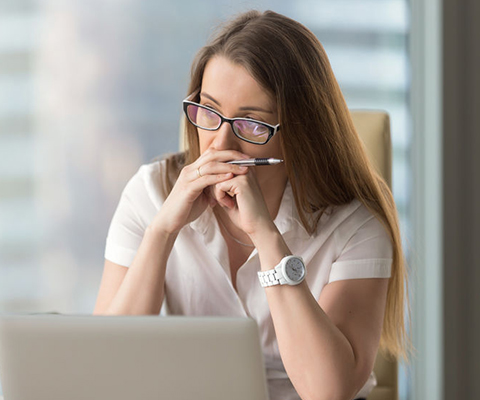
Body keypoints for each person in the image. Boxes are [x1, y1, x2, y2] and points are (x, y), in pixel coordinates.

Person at [93, 9, 410, 400]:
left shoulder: (356, 228)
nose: (221, 145)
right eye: (208, 112)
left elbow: (328, 391)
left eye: (251, 124)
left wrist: (266, 237)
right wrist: (162, 231)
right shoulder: (150, 193)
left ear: (299, 133)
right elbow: (109, 363)